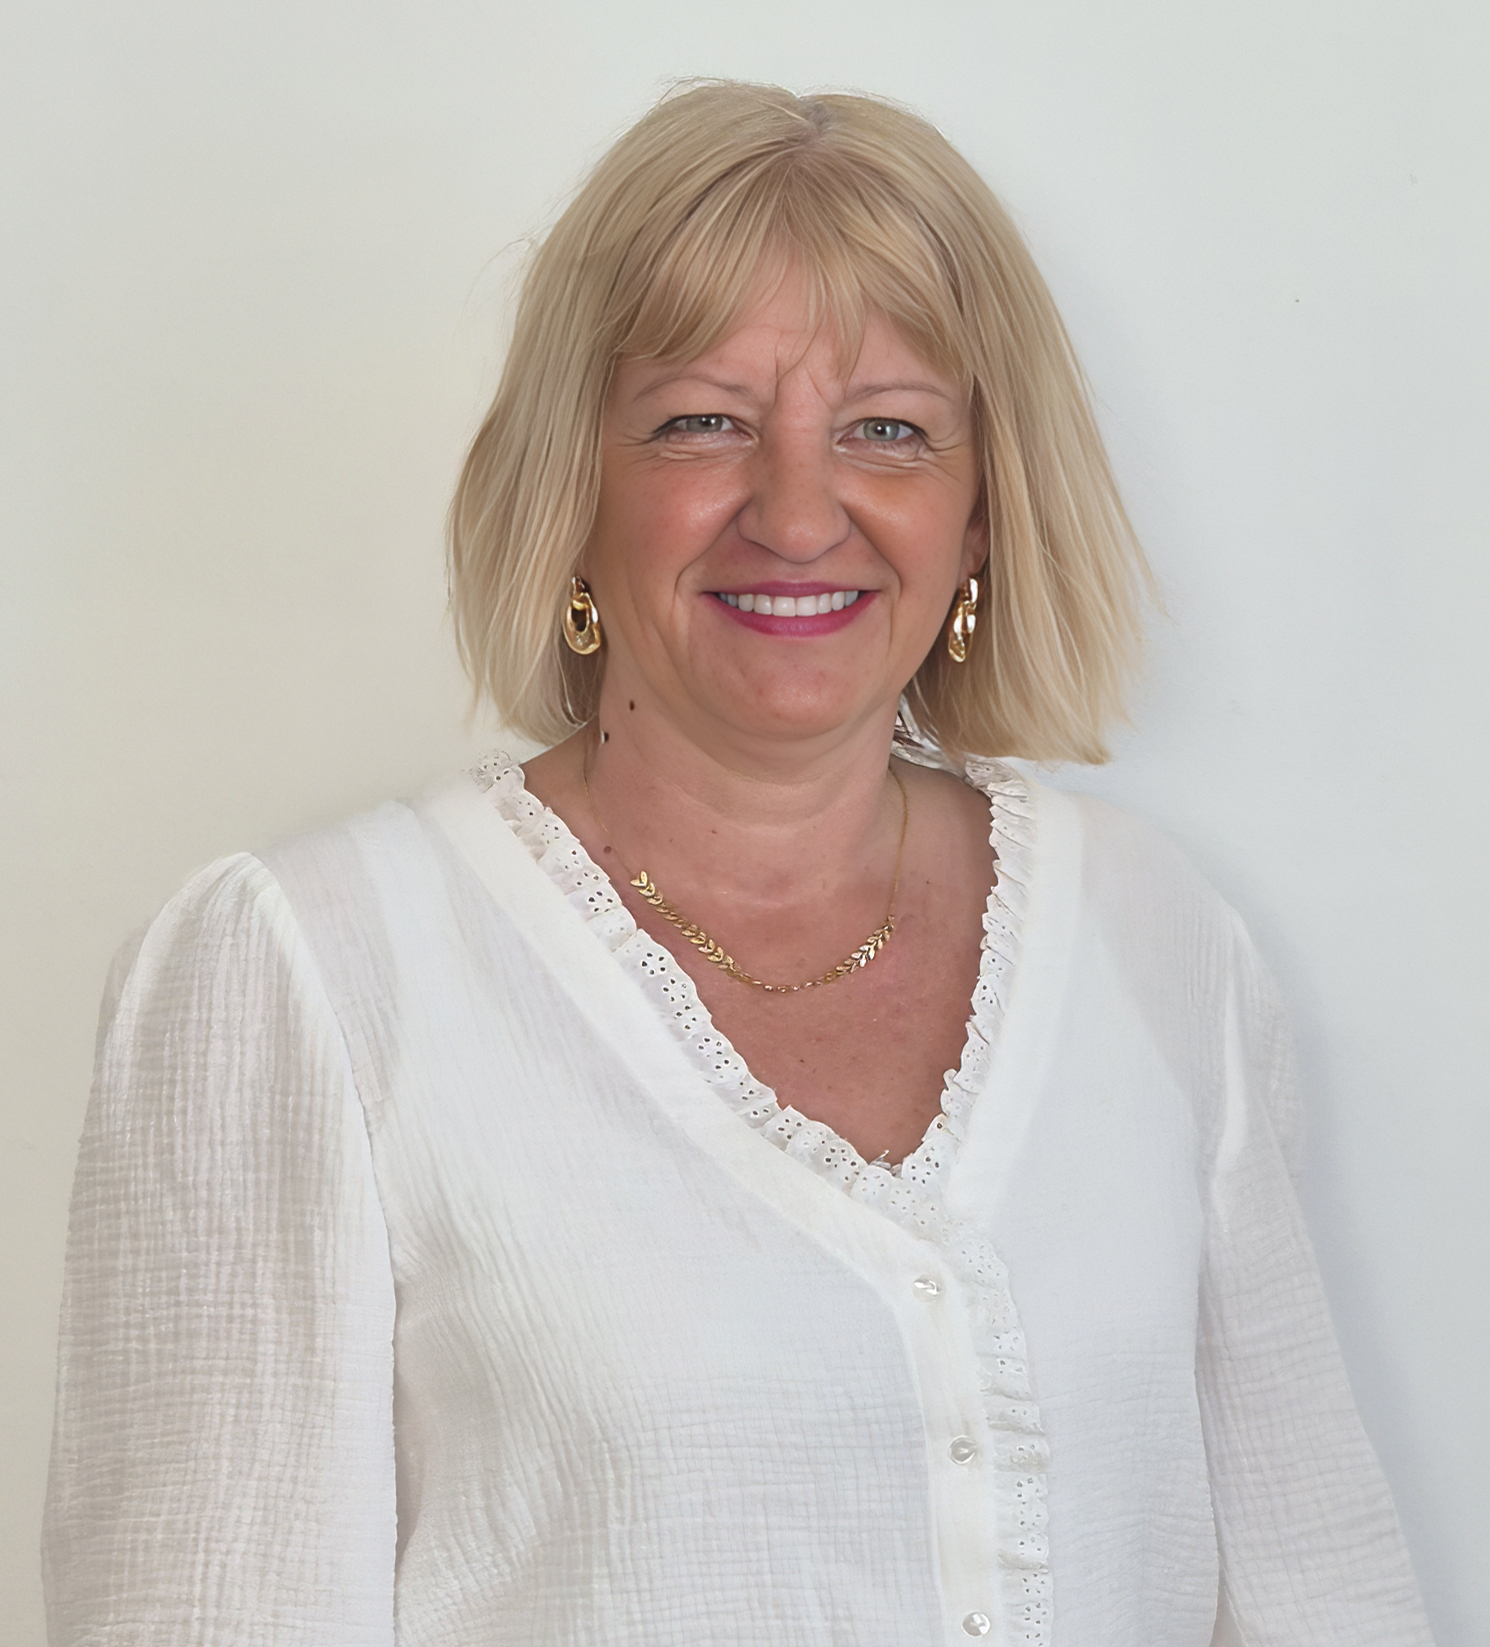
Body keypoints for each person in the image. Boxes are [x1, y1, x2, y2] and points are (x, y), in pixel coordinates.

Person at [43, 81, 1432, 1647]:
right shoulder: (309, 974)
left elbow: (1322, 1594)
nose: (796, 510)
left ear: (981, 512)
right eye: (699, 422)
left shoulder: (1152, 936)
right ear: (572, 489)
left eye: (886, 430)